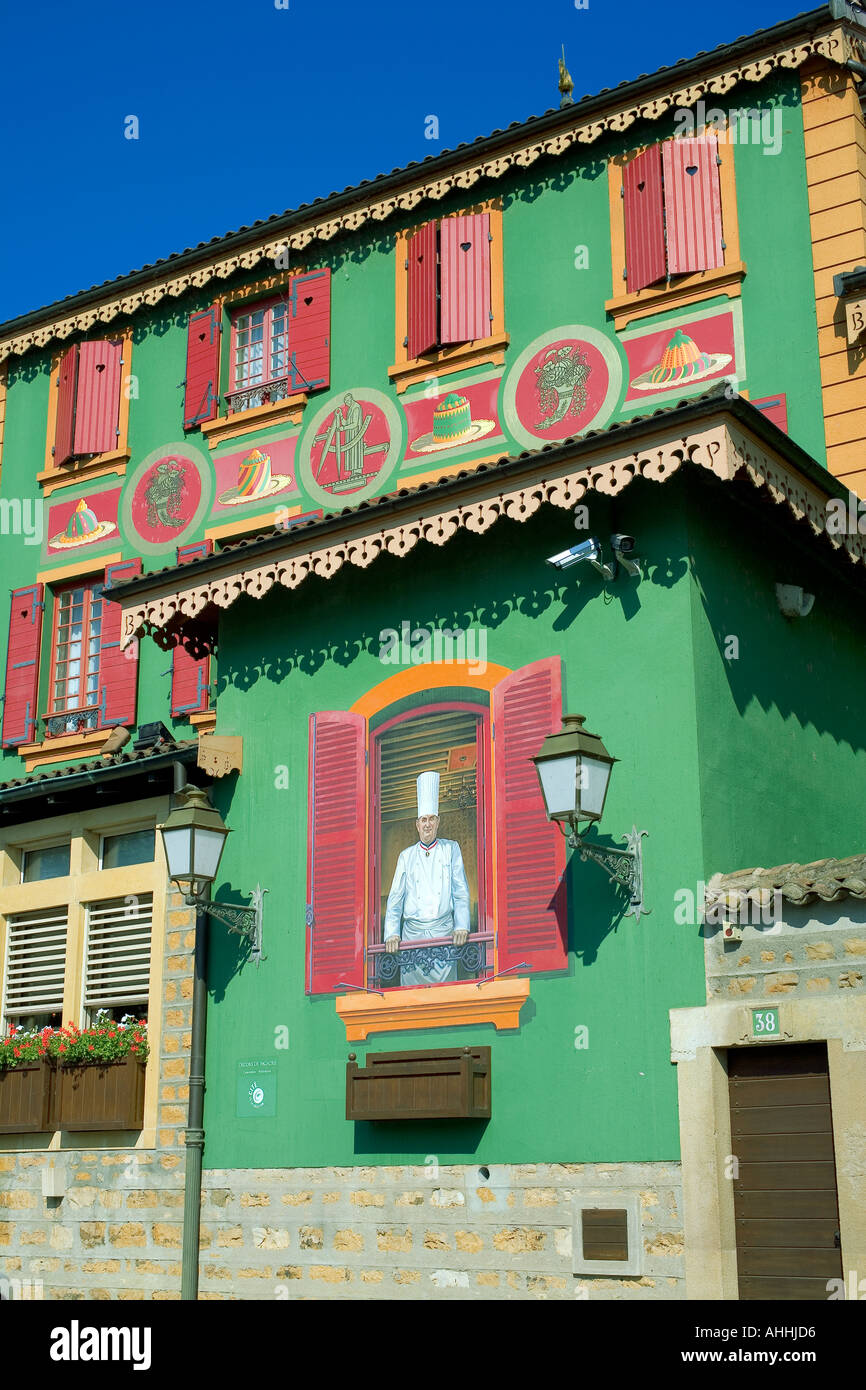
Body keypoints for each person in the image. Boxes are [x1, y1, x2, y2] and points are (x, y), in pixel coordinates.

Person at [383, 771, 470, 986]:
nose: (427, 824)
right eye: (423, 820)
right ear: (417, 824)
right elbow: (395, 900)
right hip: (413, 937)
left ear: (438, 822)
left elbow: (460, 893)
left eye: (431, 819)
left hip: (444, 935)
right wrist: (391, 934)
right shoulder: (406, 856)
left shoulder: (451, 849)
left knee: (444, 996)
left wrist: (462, 926)